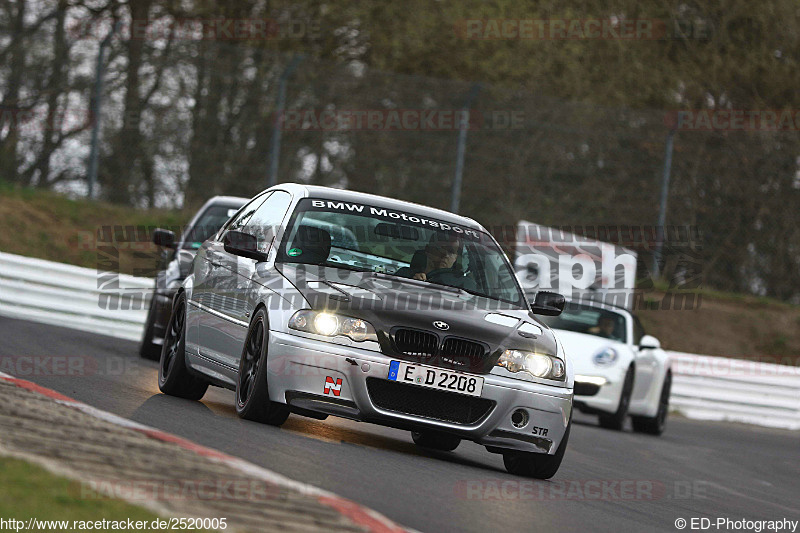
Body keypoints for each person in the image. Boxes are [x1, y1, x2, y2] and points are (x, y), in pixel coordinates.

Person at [395, 232, 476, 290]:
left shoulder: (464, 285)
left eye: (451, 252)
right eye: (441, 249)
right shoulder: (404, 275)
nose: (445, 255)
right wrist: (411, 283)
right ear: (428, 249)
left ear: (455, 258)